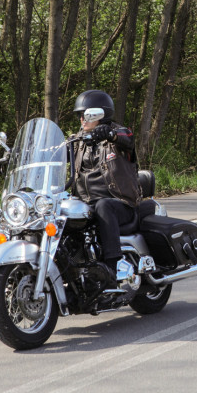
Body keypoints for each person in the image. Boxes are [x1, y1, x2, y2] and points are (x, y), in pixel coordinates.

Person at [69, 89, 140, 281]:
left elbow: (128, 138)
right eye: (80, 115)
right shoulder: (78, 142)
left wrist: (110, 134)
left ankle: (113, 266)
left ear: (100, 114)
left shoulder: (117, 135)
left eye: (86, 115)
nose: (82, 119)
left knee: (103, 205)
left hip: (119, 203)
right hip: (86, 204)